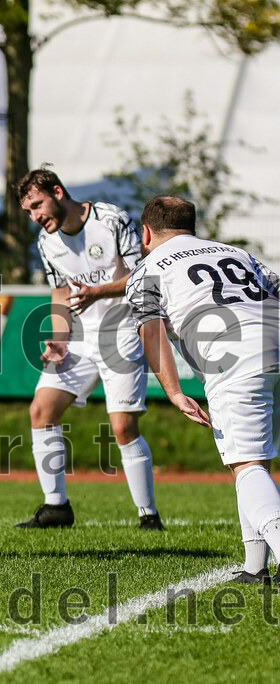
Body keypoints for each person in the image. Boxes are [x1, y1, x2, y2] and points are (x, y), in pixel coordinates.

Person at [127, 195, 280, 583]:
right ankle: (254, 566)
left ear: (145, 232)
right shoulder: (239, 253)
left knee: (245, 465)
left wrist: (174, 391)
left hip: (234, 356)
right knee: (255, 462)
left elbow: (151, 329)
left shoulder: (146, 268)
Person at [15, 168, 162, 529]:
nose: (35, 216)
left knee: (123, 427)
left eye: (37, 205)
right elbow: (61, 294)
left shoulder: (111, 220)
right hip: (80, 336)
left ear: (58, 192)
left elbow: (141, 276)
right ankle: (56, 508)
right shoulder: (46, 242)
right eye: (28, 212)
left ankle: (149, 516)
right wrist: (59, 340)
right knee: (41, 410)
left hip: (121, 330)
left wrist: (97, 292)